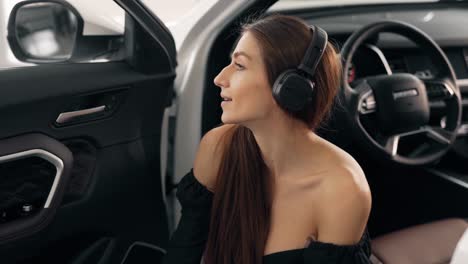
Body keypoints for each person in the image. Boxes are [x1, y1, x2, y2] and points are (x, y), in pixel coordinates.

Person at [162, 14, 372, 264]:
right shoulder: (218, 147)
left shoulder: (343, 188)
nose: (220, 78)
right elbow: (183, 252)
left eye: (239, 66)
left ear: (289, 87)